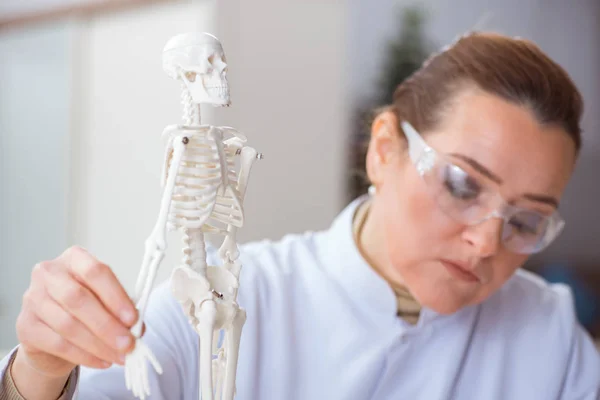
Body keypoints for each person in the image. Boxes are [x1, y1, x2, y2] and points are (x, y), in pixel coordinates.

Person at [2, 31, 600, 400]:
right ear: (384, 147)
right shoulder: (221, 306)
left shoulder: (548, 334)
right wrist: (39, 368)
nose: (486, 242)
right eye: (463, 183)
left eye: (525, 220)